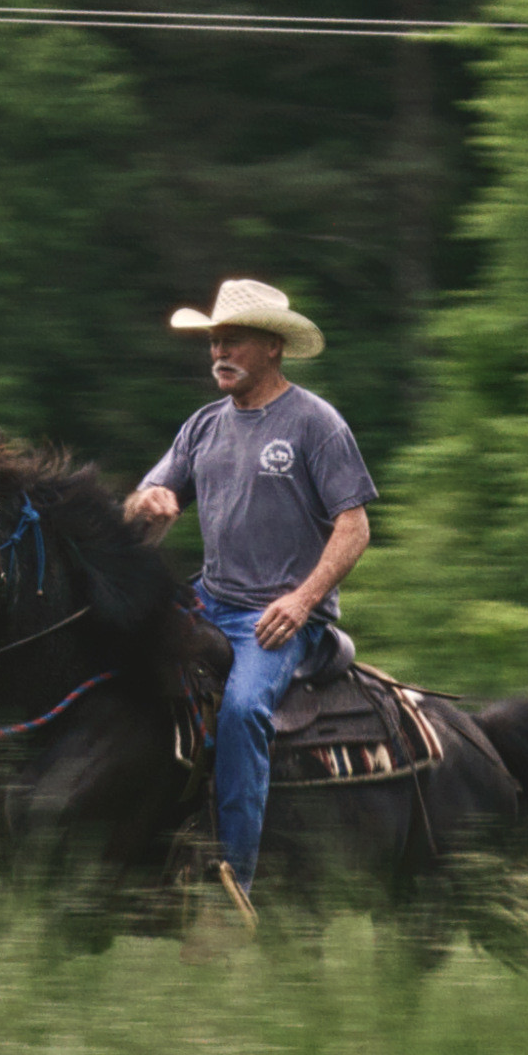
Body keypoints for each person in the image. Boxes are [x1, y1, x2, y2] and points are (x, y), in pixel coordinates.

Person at [120, 278, 376, 907]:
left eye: (232, 339)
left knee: (239, 711)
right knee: (120, 662)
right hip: (210, 598)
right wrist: (145, 505)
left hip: (283, 617)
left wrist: (302, 600)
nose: (218, 351)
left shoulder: (316, 424)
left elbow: (355, 525)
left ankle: (233, 884)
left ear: (272, 347)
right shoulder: (203, 426)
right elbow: (143, 510)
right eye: (213, 341)